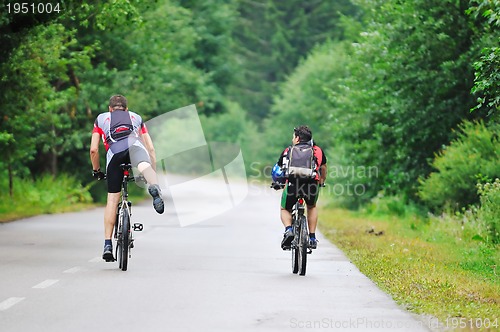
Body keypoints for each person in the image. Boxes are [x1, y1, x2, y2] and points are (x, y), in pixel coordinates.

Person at [90, 94, 164, 262]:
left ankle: (107, 244)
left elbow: (94, 150)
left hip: (115, 154)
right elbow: (151, 149)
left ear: (110, 109)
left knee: (112, 200)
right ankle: (155, 187)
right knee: (144, 166)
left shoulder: (101, 119)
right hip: (135, 149)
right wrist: (153, 173)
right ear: (126, 109)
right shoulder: (136, 117)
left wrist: (97, 170)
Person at [275, 125, 327, 250]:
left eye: (294, 136)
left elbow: (279, 169)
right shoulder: (317, 151)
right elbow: (323, 167)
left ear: (297, 138)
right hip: (311, 184)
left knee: (284, 208)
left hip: (293, 185)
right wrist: (321, 180)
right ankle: (312, 237)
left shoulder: (288, 151)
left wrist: (277, 183)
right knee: (311, 206)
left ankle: (289, 230)